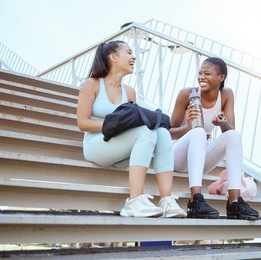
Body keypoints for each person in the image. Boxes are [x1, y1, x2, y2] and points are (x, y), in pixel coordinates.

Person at [77, 40, 186, 218]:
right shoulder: (92, 84)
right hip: (97, 145)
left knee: (162, 132)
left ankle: (166, 200)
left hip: (122, 150)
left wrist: (186, 128)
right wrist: (112, 124)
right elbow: (82, 123)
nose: (133, 57)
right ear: (113, 57)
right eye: (128, 52)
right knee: (146, 131)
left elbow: (136, 124)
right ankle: (134, 201)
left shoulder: (129, 92)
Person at [169, 57, 259, 220]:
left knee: (233, 135)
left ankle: (234, 202)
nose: (202, 77)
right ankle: (195, 201)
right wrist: (188, 127)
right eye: (200, 73)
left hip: (199, 157)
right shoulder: (186, 94)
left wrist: (222, 123)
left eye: (207, 74)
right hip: (177, 155)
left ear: (221, 77)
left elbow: (230, 129)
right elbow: (169, 132)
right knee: (198, 132)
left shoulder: (226, 94)